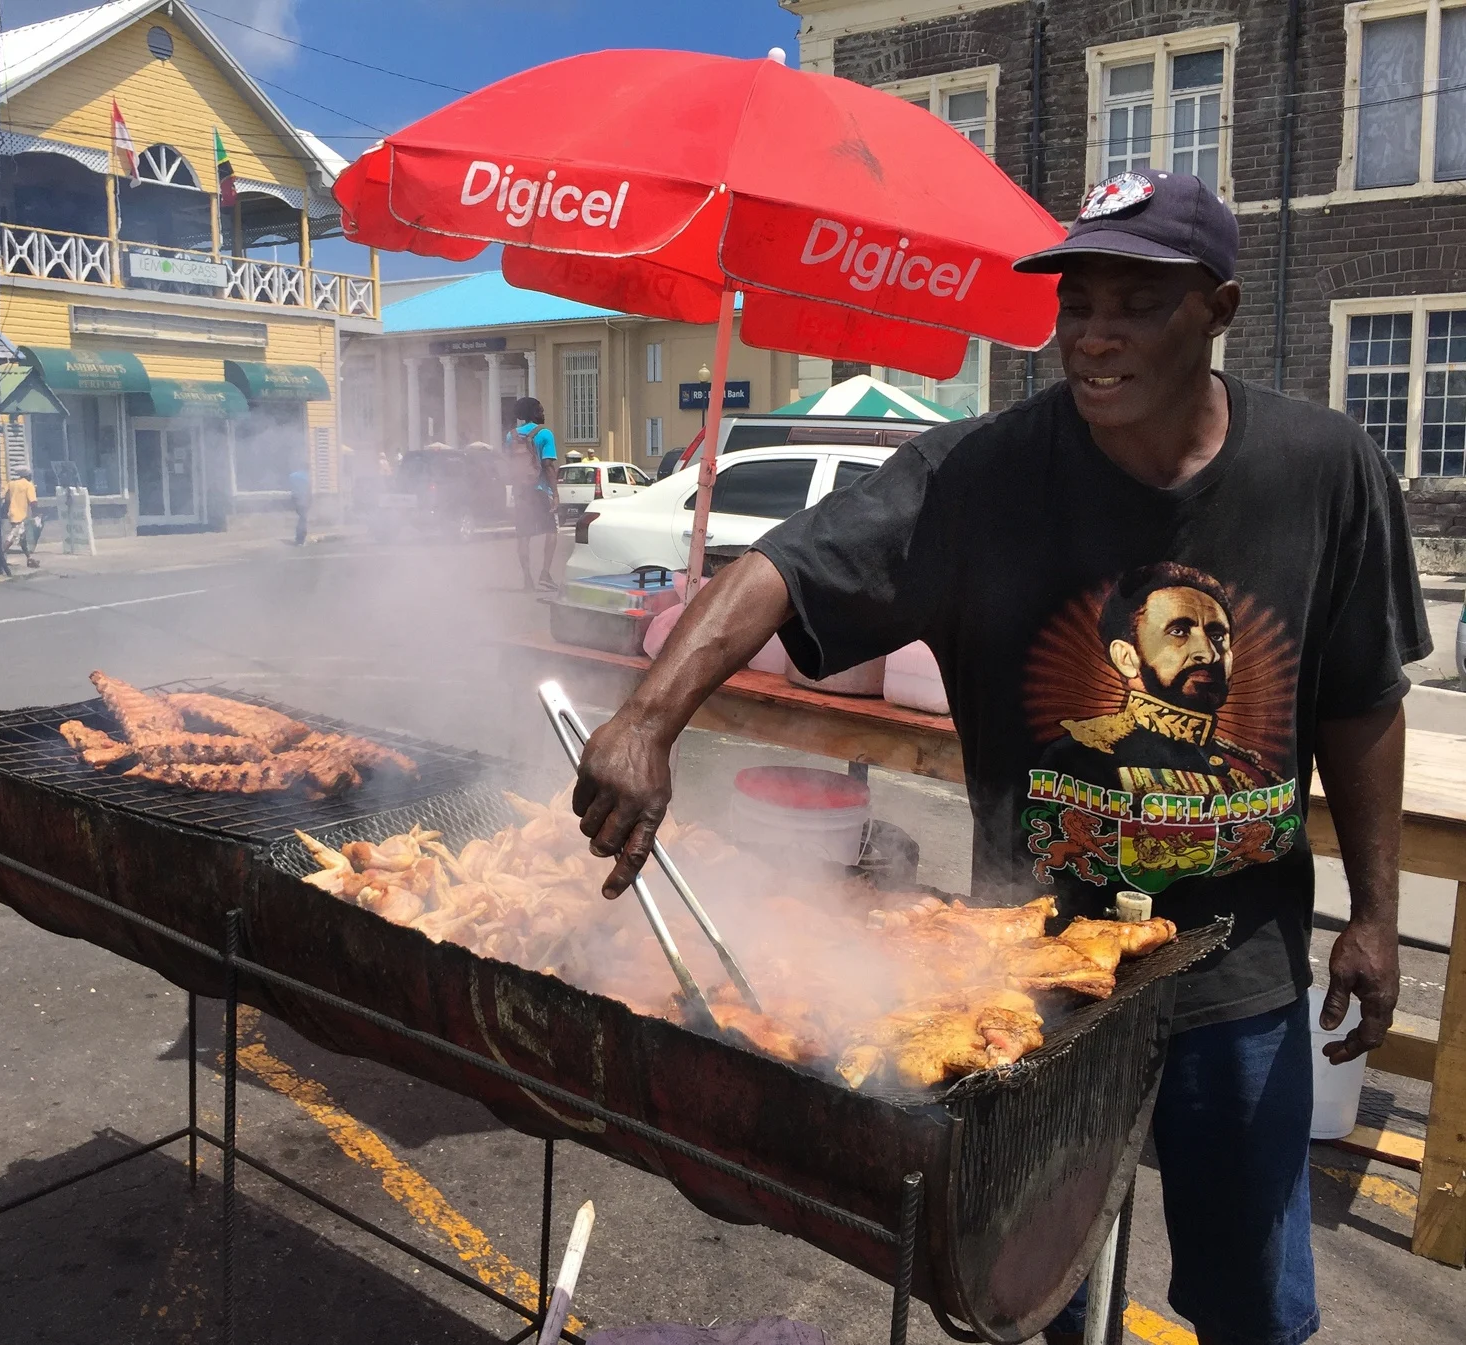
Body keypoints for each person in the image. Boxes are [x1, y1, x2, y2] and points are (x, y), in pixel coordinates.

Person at [570, 173, 1430, 1345]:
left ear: (1219, 309)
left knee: (1252, 1304)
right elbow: (783, 567)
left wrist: (1374, 913)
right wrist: (646, 716)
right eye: (1077, 305)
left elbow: (1363, 700)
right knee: (1031, 1291)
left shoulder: (1324, 470)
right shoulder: (979, 475)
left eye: (1136, 303)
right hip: (1027, 984)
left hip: (1242, 977)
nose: (1095, 335)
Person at [510, 396, 559, 591]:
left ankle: (527, 578)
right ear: (534, 412)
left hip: (521, 492)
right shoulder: (544, 434)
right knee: (552, 531)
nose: (543, 412)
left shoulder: (511, 436)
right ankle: (545, 573)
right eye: (540, 409)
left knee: (523, 535)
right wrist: (555, 492)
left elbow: (511, 464)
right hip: (540, 491)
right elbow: (548, 466)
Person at [1, 467, 40, 569]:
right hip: (20, 516)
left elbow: (5, 498)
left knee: (22, 538)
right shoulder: (28, 485)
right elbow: (33, 502)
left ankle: (29, 558)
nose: (31, 477)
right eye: (30, 475)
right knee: (13, 536)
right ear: (27, 476)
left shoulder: (11, 484)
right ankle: (0, 556)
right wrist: (36, 515)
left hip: (11, 513)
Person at [288, 464, 311, 545]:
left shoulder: (292, 476)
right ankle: (300, 539)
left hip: (295, 499)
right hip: (303, 499)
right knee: (303, 519)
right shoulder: (307, 477)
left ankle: (299, 538)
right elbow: (308, 490)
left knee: (301, 518)